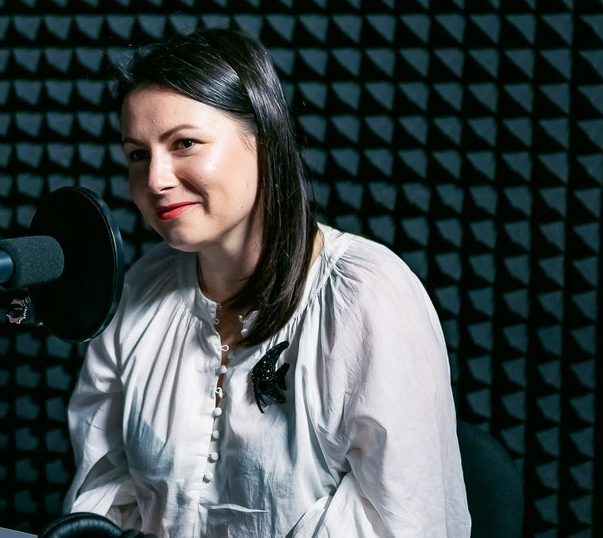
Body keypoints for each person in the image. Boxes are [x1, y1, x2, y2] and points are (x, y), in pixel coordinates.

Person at [63, 27, 471, 537]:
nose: (155, 180)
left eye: (185, 144)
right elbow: (104, 491)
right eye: (137, 154)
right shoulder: (141, 291)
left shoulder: (367, 296)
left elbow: (404, 521)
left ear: (263, 138)